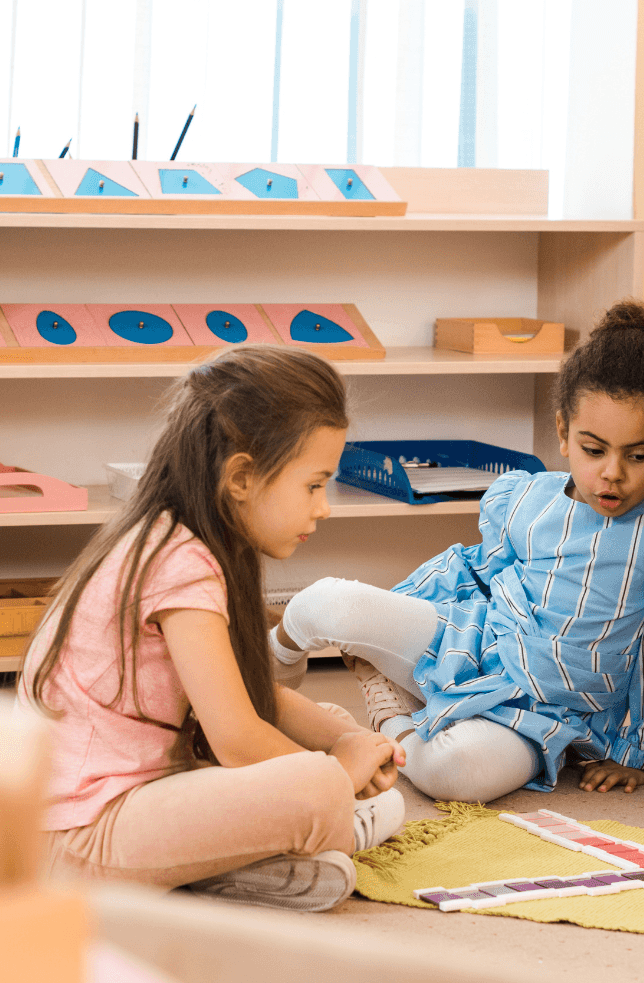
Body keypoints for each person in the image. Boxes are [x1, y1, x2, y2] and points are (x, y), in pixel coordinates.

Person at [271, 301, 644, 803]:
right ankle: (266, 677)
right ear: (563, 431)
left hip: (552, 714)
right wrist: (393, 614)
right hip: (473, 643)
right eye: (594, 450)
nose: (612, 472)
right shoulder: (524, 498)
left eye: (639, 456)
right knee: (324, 602)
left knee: (453, 772)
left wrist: (639, 754)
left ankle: (387, 720)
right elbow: (471, 573)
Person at [23, 346, 407, 913]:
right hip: (80, 837)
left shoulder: (181, 539)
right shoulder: (179, 561)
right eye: (314, 485)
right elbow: (235, 738)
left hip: (126, 805)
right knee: (316, 787)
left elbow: (251, 698)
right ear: (243, 478)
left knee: (334, 727)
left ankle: (232, 867)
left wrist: (341, 742)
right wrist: (337, 773)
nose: (324, 508)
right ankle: (337, 827)